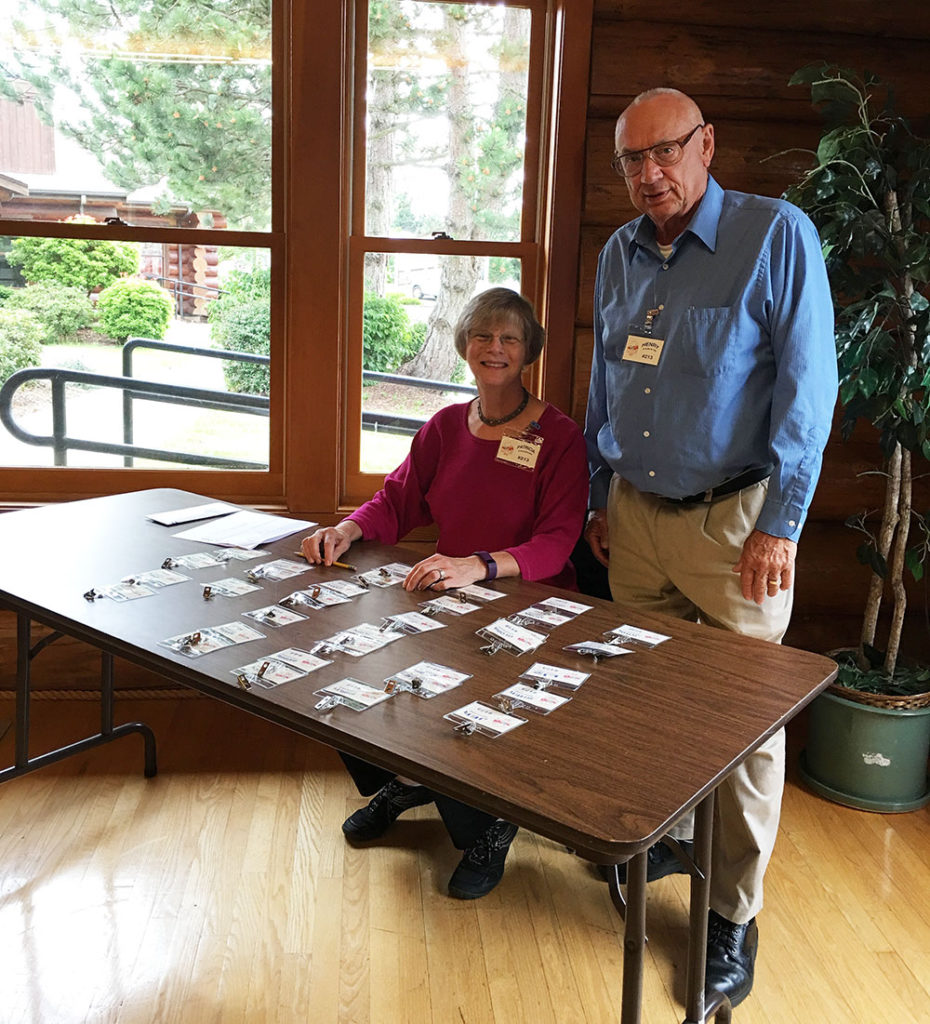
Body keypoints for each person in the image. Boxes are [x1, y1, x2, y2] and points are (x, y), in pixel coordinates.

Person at [584, 88, 837, 1008]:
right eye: (631, 162)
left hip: (737, 526)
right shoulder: (618, 251)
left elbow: (809, 392)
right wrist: (594, 497)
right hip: (634, 517)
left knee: (743, 726)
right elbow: (605, 380)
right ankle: (677, 844)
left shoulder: (775, 237)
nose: (649, 175)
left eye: (665, 153)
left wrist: (784, 523)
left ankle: (732, 917)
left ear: (706, 145)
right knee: (649, 701)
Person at [303, 286, 588, 900]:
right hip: (451, 590)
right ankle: (407, 778)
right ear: (463, 345)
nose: (495, 348)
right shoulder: (443, 427)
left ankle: (493, 824)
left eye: (509, 337)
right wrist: (350, 528)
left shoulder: (559, 436)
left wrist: (479, 566)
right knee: (356, 666)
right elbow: (398, 500)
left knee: (484, 703)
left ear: (528, 350)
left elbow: (559, 542)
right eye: (483, 335)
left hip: (530, 601)